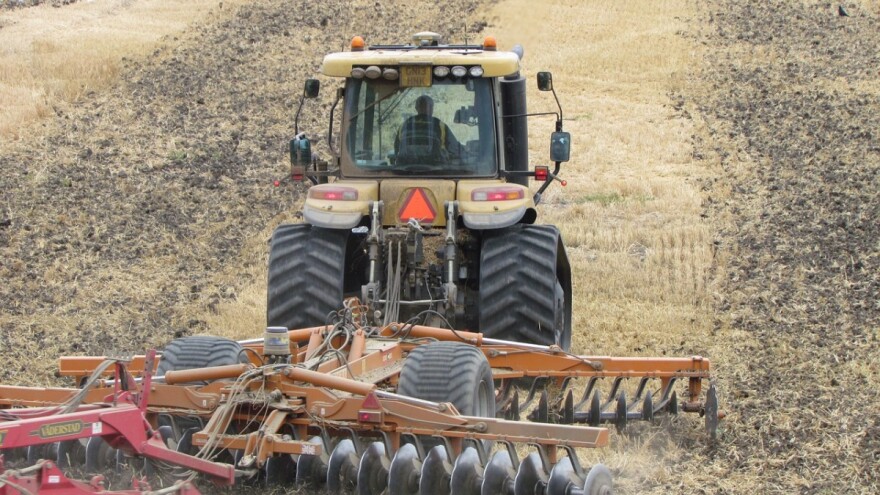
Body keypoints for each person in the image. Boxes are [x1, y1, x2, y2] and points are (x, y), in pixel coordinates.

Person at [394, 95, 461, 165]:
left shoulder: (404, 125)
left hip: (406, 172)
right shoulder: (439, 125)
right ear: (431, 108)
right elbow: (454, 149)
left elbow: (397, 150)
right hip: (436, 172)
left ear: (416, 108)